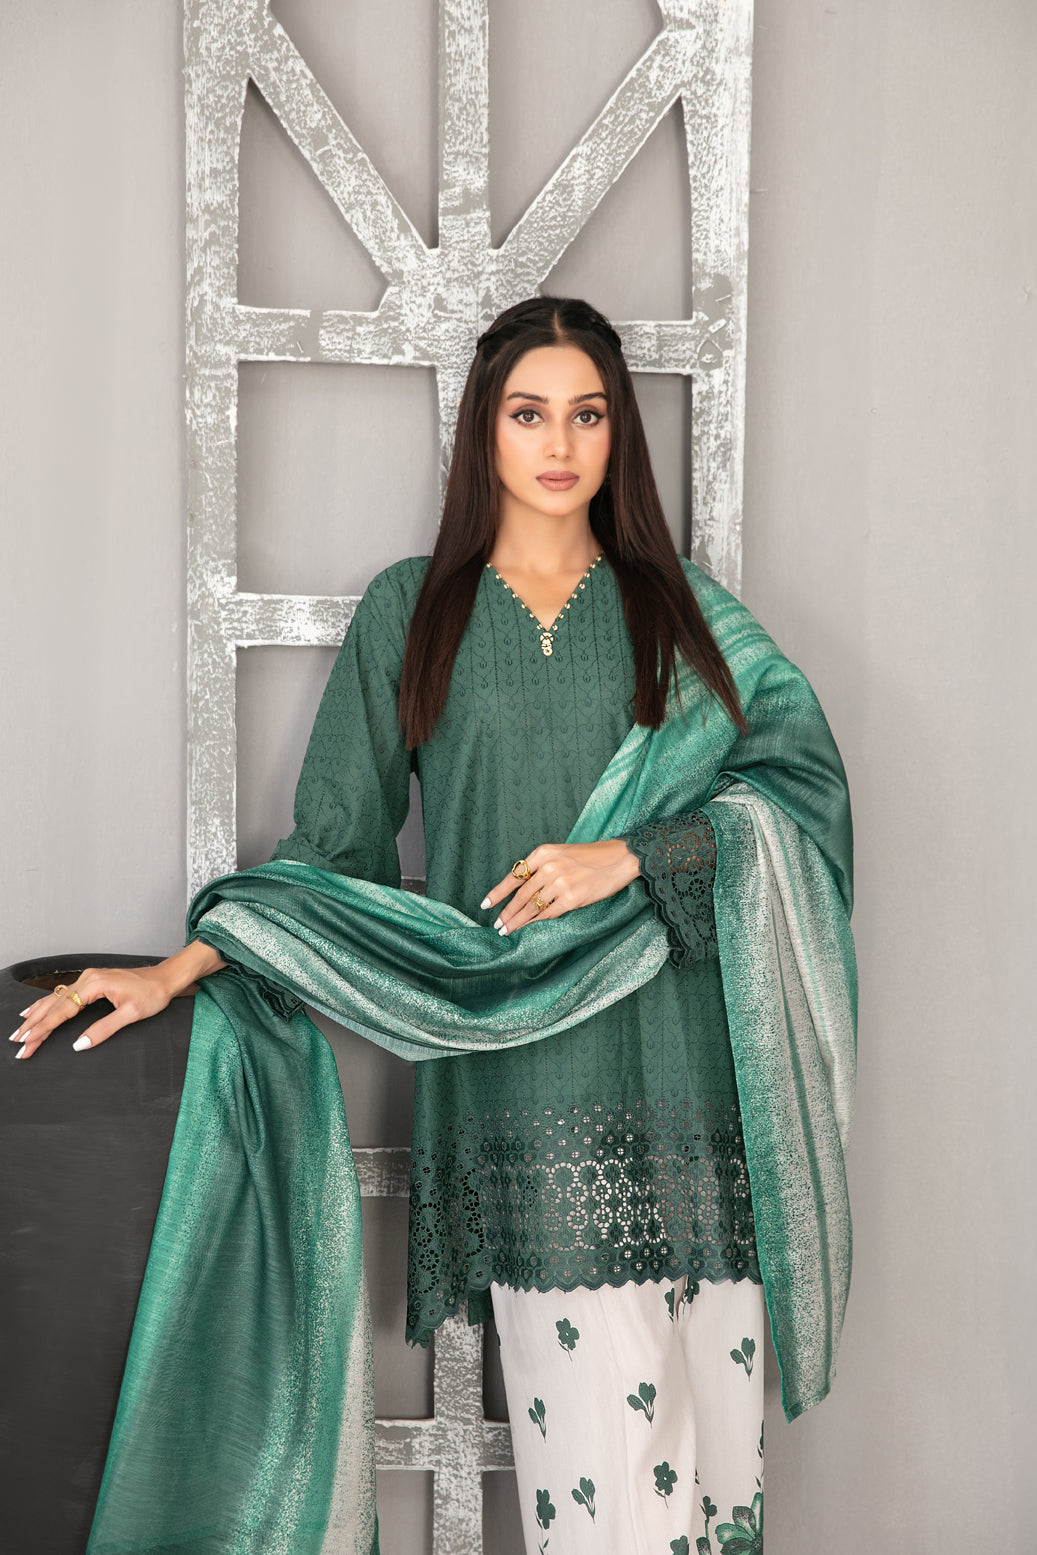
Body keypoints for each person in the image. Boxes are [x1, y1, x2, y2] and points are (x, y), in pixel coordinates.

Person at [12, 297, 855, 1555]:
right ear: (483, 431)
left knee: (716, 1484)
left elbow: (799, 798)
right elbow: (334, 847)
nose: (558, 444)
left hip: (700, 1100)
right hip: (531, 1091)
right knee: (609, 1505)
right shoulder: (416, 611)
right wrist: (182, 966)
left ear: (617, 433)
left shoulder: (683, 614)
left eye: (587, 415)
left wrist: (631, 854)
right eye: (528, 414)